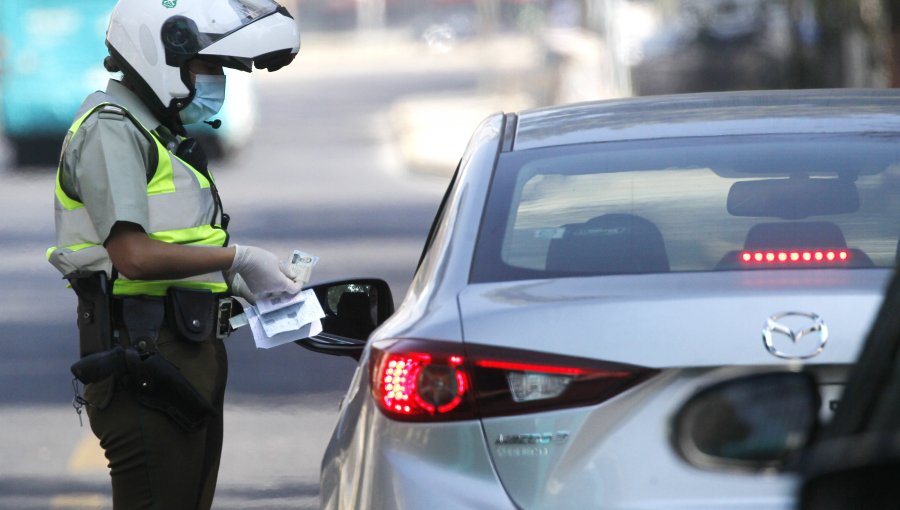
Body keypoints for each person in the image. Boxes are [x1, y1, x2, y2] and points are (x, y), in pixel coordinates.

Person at [47, 1, 302, 508]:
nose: (217, 81)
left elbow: (179, 242)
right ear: (160, 54)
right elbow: (133, 255)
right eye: (208, 66)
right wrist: (237, 259)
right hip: (144, 355)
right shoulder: (111, 129)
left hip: (181, 352)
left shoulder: (154, 133)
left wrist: (234, 280)